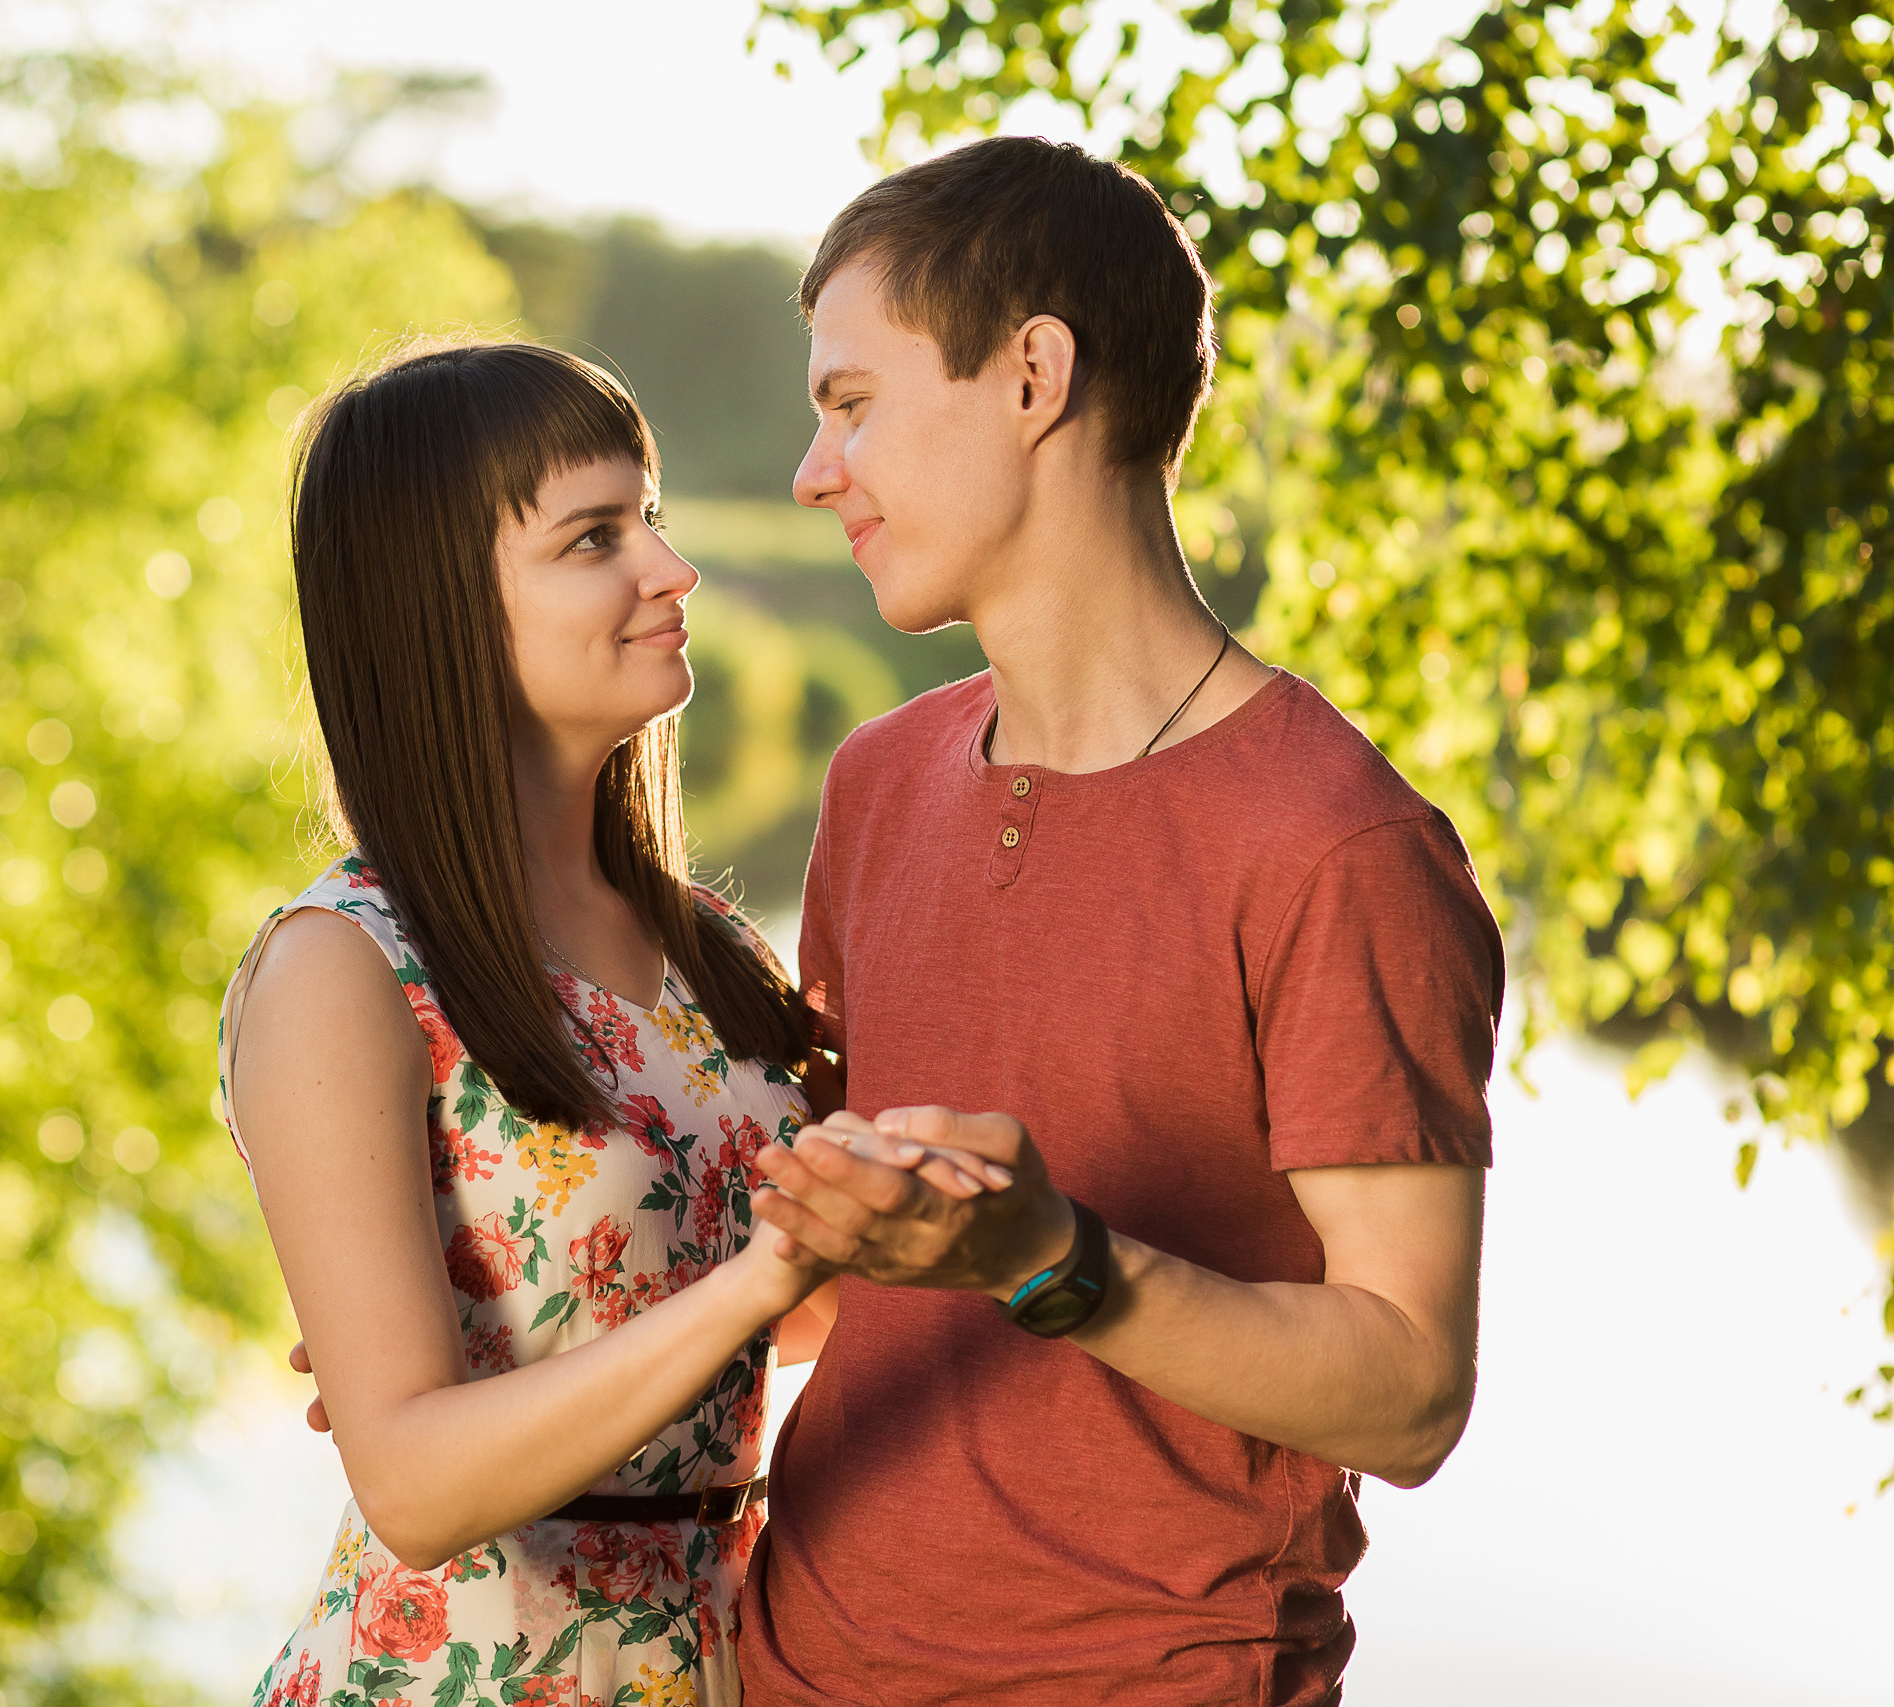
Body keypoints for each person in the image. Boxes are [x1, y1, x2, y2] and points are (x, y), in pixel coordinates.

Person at [732, 137, 1508, 1705]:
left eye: (852, 402)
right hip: (785, 1664)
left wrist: (1057, 1261)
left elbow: (1411, 1395)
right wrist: (513, 1337)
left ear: (1033, 376)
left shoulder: (1337, 845)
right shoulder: (879, 782)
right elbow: (839, 1279)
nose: (815, 473)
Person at [220, 340, 1000, 1707]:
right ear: (440, 609)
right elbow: (412, 1483)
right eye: (596, 537)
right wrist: (758, 1279)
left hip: (719, 1664)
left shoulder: (709, 952)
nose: (671, 571)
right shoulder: (343, 969)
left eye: (653, 517)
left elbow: (784, 1318)